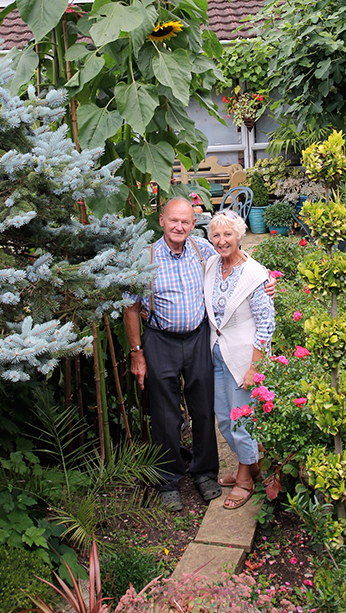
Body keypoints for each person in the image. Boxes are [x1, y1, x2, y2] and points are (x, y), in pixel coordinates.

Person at [124, 197, 277, 513]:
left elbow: (235, 257)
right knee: (165, 413)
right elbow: (131, 306)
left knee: (204, 408)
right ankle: (169, 480)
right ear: (162, 221)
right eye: (173, 220)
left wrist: (266, 280)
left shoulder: (202, 250)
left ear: (194, 225)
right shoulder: (144, 257)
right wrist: (137, 354)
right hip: (159, 340)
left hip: (198, 340)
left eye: (186, 221)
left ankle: (205, 473)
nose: (179, 227)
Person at [204, 210, 275, 509]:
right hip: (218, 353)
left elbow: (266, 324)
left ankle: (245, 477)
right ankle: (253, 465)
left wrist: (255, 366)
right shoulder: (210, 265)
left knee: (242, 421)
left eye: (228, 234)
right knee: (223, 419)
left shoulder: (255, 274)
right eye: (216, 235)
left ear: (239, 236)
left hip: (245, 357)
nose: (222, 241)